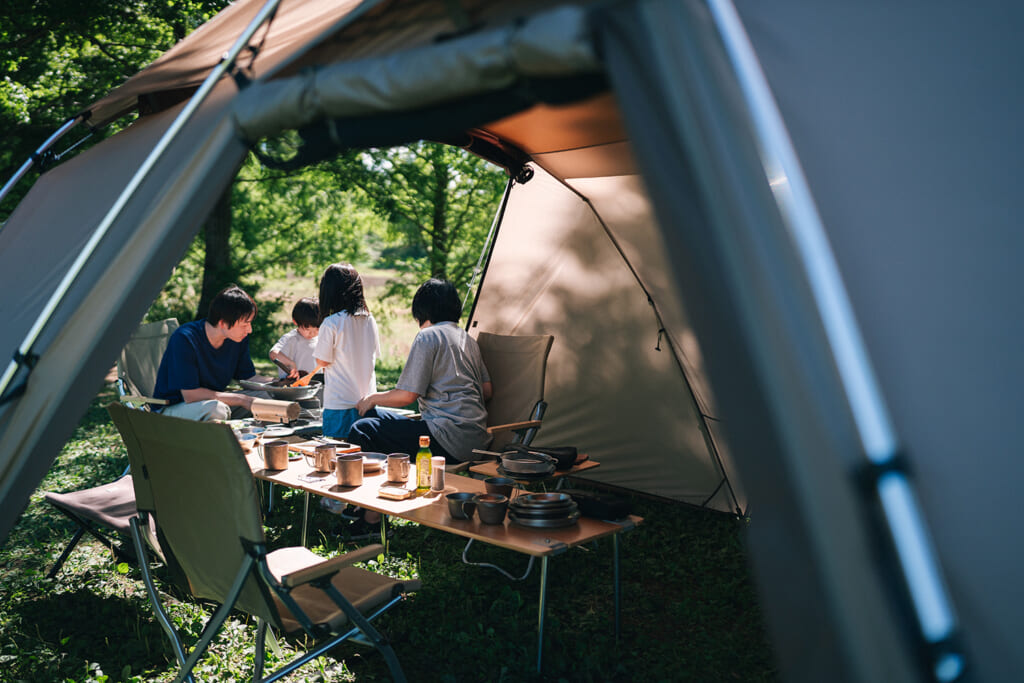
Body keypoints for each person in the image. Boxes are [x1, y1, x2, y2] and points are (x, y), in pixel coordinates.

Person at [352, 278, 493, 463]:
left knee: (362, 429)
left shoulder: (428, 336)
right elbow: (487, 391)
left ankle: (378, 486)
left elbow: (407, 396)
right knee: (372, 414)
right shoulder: (468, 339)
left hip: (448, 440)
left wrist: (372, 398)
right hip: (477, 441)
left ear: (422, 312)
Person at [152, 285, 273, 421]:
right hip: (174, 408)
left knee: (269, 397)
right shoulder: (185, 338)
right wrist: (242, 399)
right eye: (245, 325)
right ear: (223, 323)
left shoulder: (237, 338)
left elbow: (248, 378)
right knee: (216, 409)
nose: (249, 330)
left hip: (214, 403)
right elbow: (191, 395)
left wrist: (280, 384)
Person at [311, 264, 380, 439]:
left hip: (339, 405)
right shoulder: (370, 320)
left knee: (336, 457)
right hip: (367, 403)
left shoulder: (331, 323)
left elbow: (322, 362)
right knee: (363, 457)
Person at [269, 297, 320, 379]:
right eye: (307, 329)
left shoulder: (320, 338)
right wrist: (290, 363)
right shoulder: (292, 339)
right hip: (293, 386)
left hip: (316, 385)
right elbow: (273, 354)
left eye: (317, 329)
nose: (313, 333)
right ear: (295, 321)